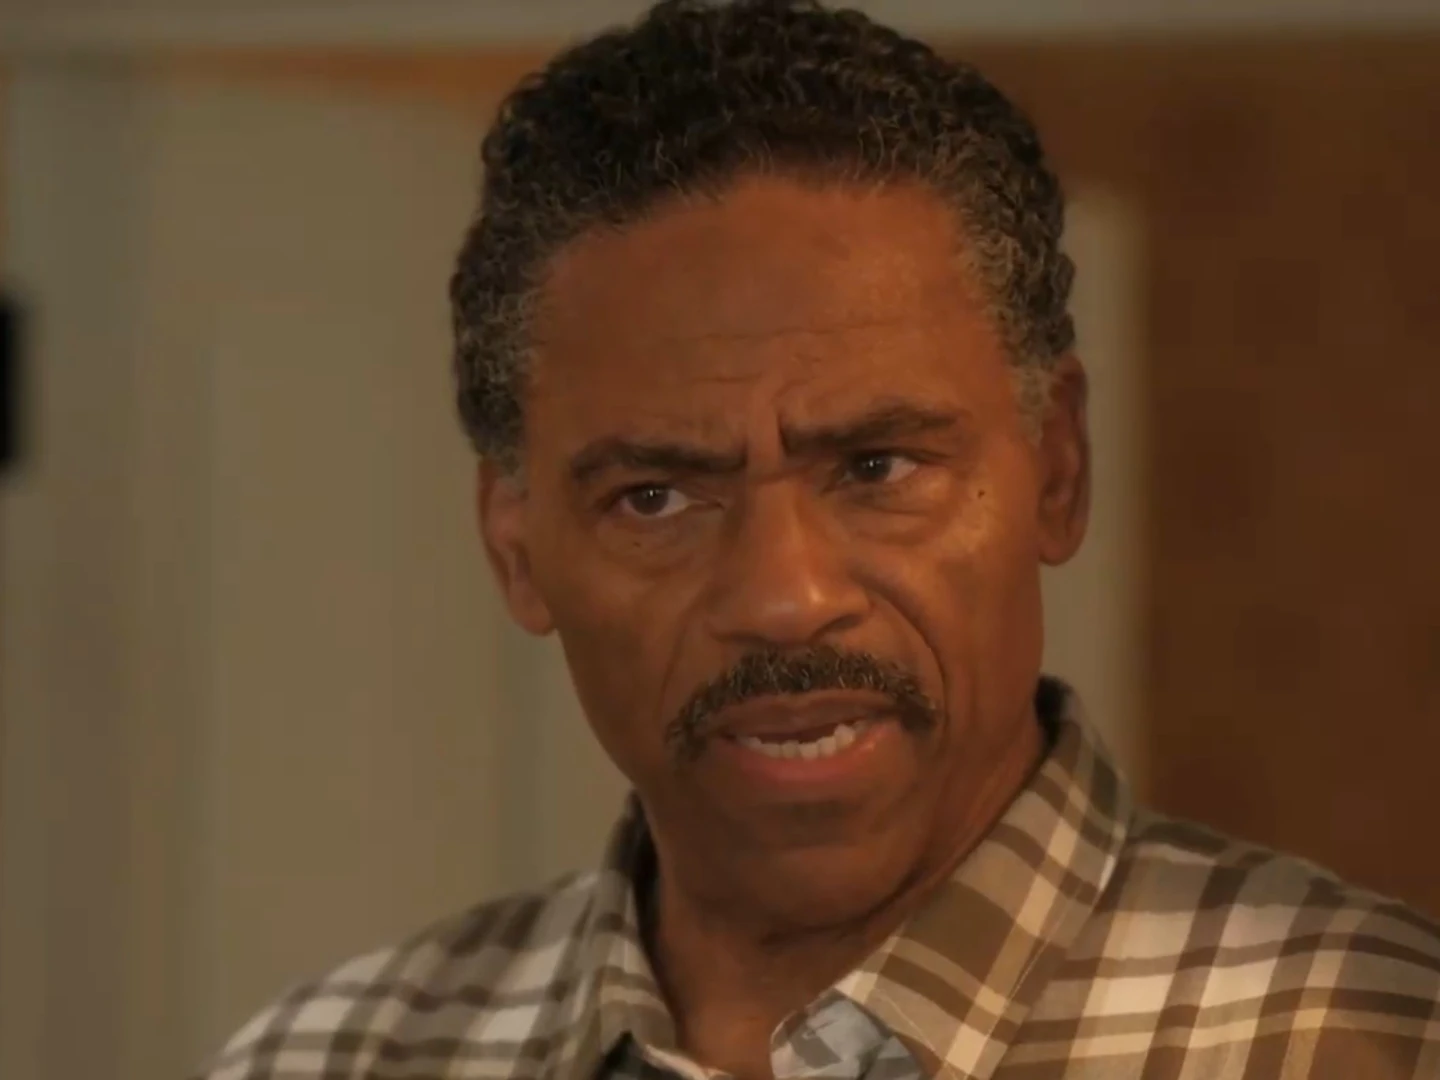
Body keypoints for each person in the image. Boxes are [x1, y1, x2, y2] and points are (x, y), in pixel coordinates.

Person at [198, 2, 1440, 1078]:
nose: (784, 598)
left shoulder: (1366, 1038)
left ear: (1058, 468)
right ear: (517, 548)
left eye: (878, 467)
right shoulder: (334, 1058)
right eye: (656, 497)